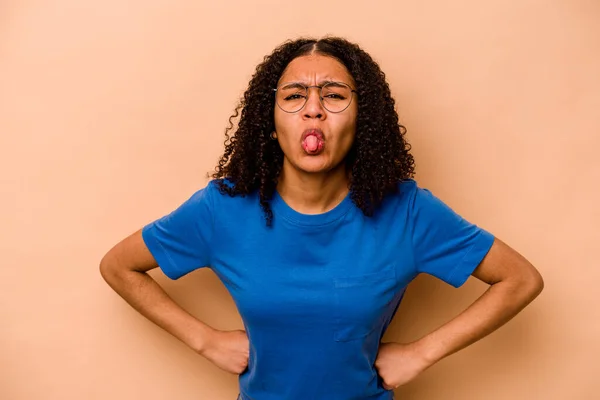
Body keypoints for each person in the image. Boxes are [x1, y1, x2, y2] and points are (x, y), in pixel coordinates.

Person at [99, 37, 544, 400]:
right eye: (294, 96)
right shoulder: (222, 208)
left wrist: (422, 353)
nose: (314, 109)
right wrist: (205, 340)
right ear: (271, 124)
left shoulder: (407, 211)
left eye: (333, 95)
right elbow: (118, 266)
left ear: (362, 119)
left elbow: (520, 279)